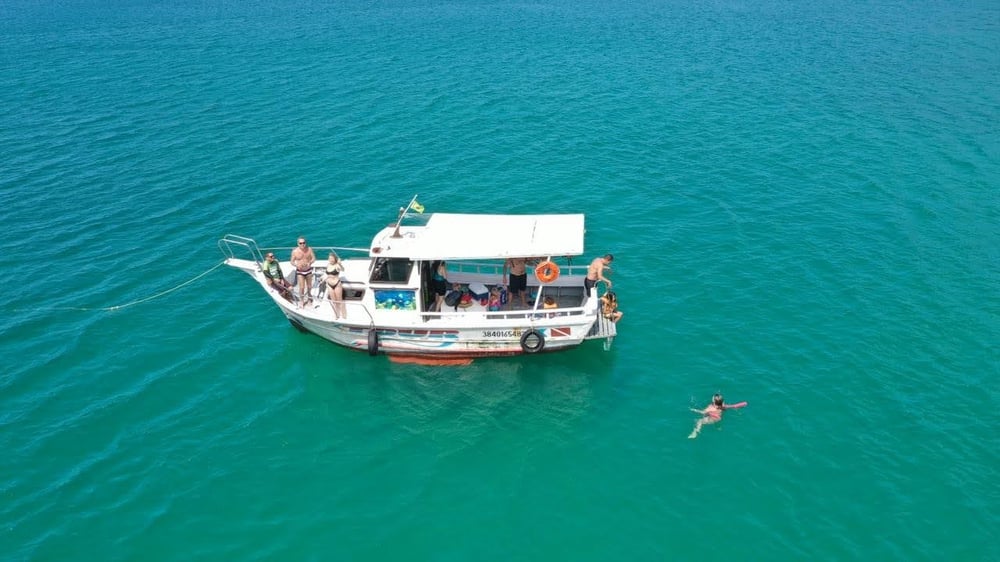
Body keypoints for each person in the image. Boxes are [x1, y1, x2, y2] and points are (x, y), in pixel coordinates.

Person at [291, 237, 316, 306]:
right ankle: (301, 300)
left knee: (309, 286)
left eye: (304, 243)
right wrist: (296, 265)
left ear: (305, 243)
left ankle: (309, 298)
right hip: (300, 271)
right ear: (298, 244)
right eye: (300, 243)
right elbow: (292, 261)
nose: (302, 244)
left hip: (308, 270)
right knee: (301, 287)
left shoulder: (309, 249)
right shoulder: (295, 251)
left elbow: (314, 258)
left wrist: (310, 263)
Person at [325, 251, 346, 319]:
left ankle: (343, 315)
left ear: (335, 259)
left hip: (336, 284)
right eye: (329, 258)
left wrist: (340, 264)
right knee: (334, 301)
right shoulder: (328, 265)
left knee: (339, 301)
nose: (331, 259)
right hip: (329, 284)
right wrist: (323, 279)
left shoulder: (337, 265)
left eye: (332, 258)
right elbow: (327, 274)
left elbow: (343, 270)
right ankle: (336, 314)